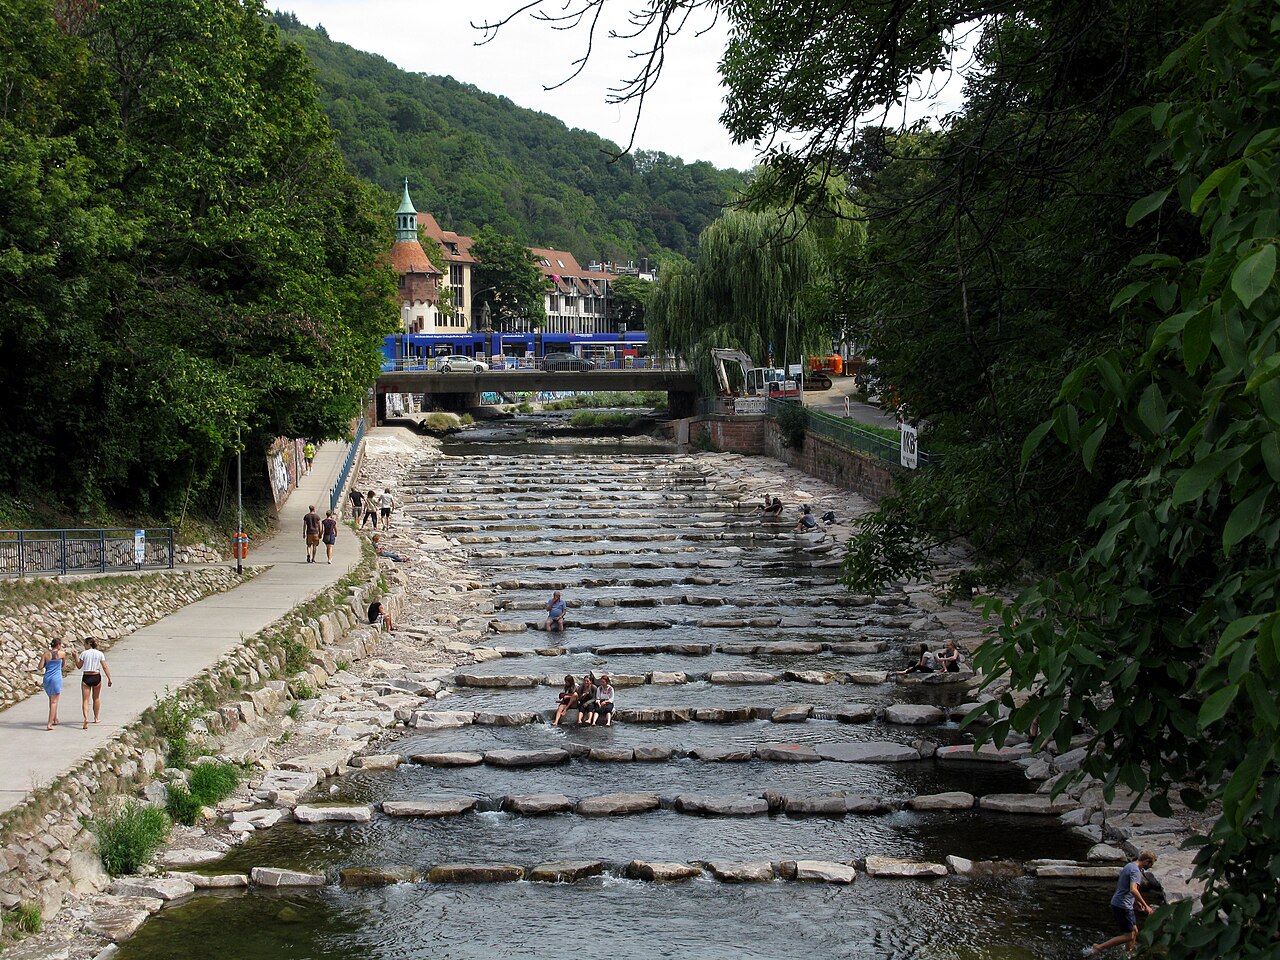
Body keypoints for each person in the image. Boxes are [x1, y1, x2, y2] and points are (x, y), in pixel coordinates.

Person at [1085, 851, 1157, 955]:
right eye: (1150, 864)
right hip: (1123, 905)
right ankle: (1099, 947)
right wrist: (1146, 906)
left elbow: (1127, 887)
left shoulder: (1129, 865)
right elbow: (1133, 889)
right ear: (1146, 861)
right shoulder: (1136, 871)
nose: (1150, 867)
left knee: (1134, 931)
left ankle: (1128, 954)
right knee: (1129, 936)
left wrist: (1137, 902)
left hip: (1120, 903)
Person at [76, 638, 112, 729]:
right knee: (96, 698)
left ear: (88, 644)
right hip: (96, 676)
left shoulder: (84, 653)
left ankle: (86, 718)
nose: (84, 646)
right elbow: (104, 667)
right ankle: (96, 718)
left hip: (86, 676)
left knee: (85, 700)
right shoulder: (100, 654)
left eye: (85, 644)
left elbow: (79, 666)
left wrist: (75, 657)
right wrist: (109, 678)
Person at [38, 638, 68, 730]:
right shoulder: (62, 654)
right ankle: (49, 723)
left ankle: (54, 718)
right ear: (58, 645)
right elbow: (63, 665)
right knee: (54, 701)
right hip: (56, 678)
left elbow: (40, 667)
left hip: (47, 678)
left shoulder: (46, 654)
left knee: (51, 699)